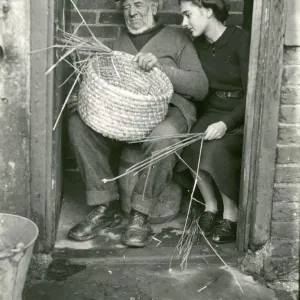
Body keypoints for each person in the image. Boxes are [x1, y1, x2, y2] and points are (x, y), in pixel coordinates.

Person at [67, 0, 209, 247]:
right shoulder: (118, 43)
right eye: (125, 7)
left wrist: (162, 70)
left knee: (163, 136)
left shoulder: (177, 38)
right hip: (127, 118)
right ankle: (104, 205)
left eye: (139, 4)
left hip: (171, 111)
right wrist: (85, 99)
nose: (131, 13)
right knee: (78, 124)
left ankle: (140, 213)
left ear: (154, 8)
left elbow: (200, 86)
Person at [177, 0, 250, 243]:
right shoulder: (197, 46)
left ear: (208, 10)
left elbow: (252, 94)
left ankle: (231, 213)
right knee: (190, 143)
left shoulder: (241, 41)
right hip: (212, 112)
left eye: (188, 15)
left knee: (217, 149)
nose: (183, 23)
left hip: (240, 114)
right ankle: (210, 207)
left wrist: (226, 124)